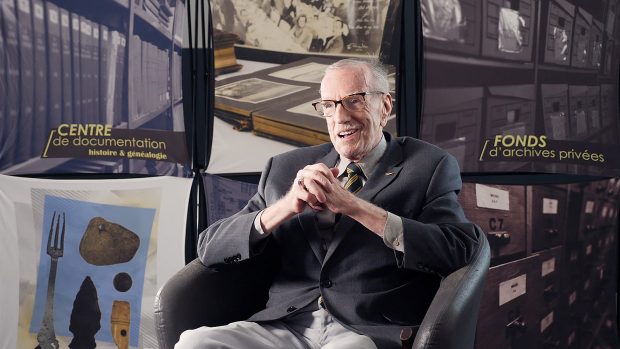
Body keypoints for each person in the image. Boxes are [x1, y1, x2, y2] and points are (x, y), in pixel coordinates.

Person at [176, 59, 479, 349]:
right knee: (195, 343)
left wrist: (355, 206)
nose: (341, 117)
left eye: (354, 101)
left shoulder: (428, 166)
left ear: (385, 106)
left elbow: (459, 249)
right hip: (285, 324)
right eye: (329, 106)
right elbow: (209, 247)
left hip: (366, 328)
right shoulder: (285, 168)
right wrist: (286, 206)